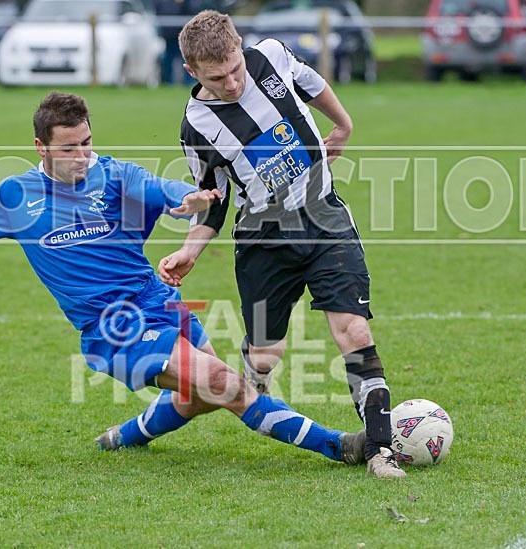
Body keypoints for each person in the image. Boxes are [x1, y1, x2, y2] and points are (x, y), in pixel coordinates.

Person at [0, 91, 369, 468]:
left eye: (87, 142)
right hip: (113, 329)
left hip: (161, 304)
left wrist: (190, 199)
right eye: (68, 149)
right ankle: (342, 446)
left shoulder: (114, 176)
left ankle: (123, 438)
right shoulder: (15, 197)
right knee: (226, 384)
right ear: (39, 147)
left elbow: (162, 189)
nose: (82, 155)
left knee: (201, 396)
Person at [156, 10, 406, 478]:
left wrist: (344, 124)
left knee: (354, 333)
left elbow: (311, 83)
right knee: (268, 352)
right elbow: (214, 199)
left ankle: (379, 451)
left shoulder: (270, 56)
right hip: (262, 242)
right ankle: (255, 376)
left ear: (241, 47)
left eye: (235, 68)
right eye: (217, 77)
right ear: (192, 72)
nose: (232, 82)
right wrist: (190, 250)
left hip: (325, 222)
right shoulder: (197, 126)